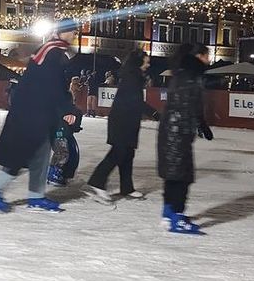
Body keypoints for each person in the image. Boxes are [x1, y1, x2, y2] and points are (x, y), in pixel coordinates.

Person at [0, 20, 79, 213]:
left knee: (41, 154)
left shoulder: (52, 50)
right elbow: (54, 87)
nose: (75, 35)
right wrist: (68, 108)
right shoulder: (53, 52)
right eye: (73, 31)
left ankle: (36, 196)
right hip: (30, 113)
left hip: (38, 111)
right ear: (64, 32)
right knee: (20, 154)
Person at [87, 49, 159, 204]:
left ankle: (127, 187)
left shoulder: (134, 76)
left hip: (127, 121)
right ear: (138, 61)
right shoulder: (132, 77)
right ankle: (97, 182)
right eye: (146, 60)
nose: (148, 63)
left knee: (127, 155)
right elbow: (136, 102)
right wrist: (154, 113)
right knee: (118, 153)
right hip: (122, 122)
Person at [157, 43, 212, 234]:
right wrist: (196, 124)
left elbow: (189, 104)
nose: (209, 60)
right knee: (182, 176)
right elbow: (189, 104)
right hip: (178, 131)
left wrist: (201, 123)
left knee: (174, 175)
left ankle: (168, 214)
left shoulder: (182, 72)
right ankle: (177, 218)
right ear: (198, 56)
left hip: (172, 129)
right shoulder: (191, 75)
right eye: (206, 56)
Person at [47, 103, 83, 187]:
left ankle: (65, 172)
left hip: (63, 128)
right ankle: (54, 173)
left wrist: (74, 117)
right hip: (56, 129)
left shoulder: (65, 96)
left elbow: (74, 109)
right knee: (62, 151)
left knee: (69, 149)